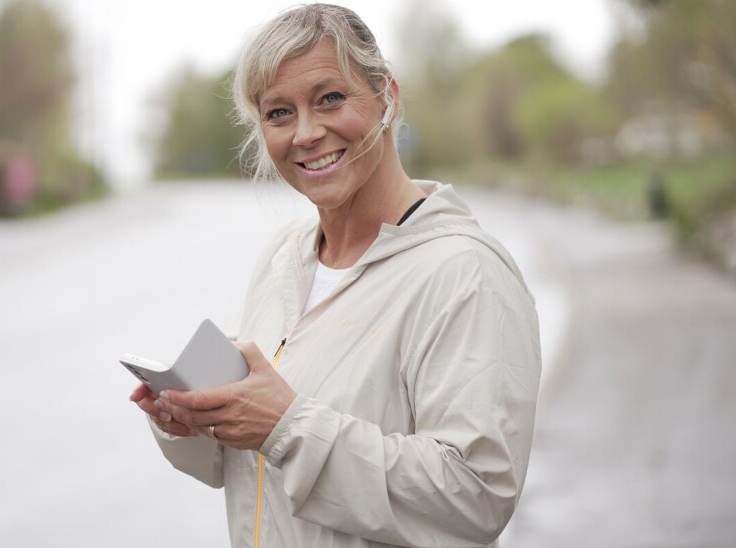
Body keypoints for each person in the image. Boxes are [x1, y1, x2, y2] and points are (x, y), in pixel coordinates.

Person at [129, 4, 541, 547]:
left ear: (387, 97)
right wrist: (194, 422)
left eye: (330, 98)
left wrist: (288, 427)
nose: (305, 132)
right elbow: (253, 465)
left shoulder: (464, 274)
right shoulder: (285, 257)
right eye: (278, 113)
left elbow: (475, 497)